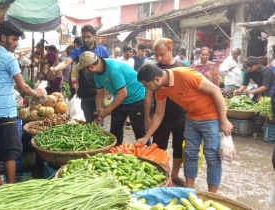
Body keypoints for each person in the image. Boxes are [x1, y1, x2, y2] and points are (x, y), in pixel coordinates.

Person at [137, 63, 233, 193]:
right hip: (192, 117)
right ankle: (189, 190)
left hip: (211, 117)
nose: (148, 89)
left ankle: (212, 194)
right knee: (189, 153)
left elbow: (215, 90)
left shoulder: (185, 75)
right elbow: (159, 114)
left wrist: (224, 119)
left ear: (157, 79)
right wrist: (146, 137)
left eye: (148, 86)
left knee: (212, 155)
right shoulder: (160, 88)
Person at [0, 21, 44, 187]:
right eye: (14, 39)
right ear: (3, 37)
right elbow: (23, 87)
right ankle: (10, 187)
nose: (16, 43)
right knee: (10, 151)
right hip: (7, 112)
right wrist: (37, 92)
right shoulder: (9, 58)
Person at [76, 51, 145, 145]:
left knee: (139, 131)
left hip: (136, 98)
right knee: (115, 131)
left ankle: (146, 155)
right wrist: (98, 114)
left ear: (91, 67)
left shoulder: (113, 69)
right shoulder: (97, 74)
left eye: (84, 69)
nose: (83, 71)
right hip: (120, 100)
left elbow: (123, 93)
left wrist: (107, 110)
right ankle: (116, 153)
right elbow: (100, 94)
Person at [145, 38, 187, 186]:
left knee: (179, 146)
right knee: (158, 145)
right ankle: (161, 172)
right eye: (157, 55)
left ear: (171, 49)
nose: (160, 58)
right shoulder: (154, 69)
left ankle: (174, 174)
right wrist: (147, 117)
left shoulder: (182, 67)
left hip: (181, 114)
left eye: (162, 54)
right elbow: (148, 95)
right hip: (160, 114)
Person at [50, 25, 109, 123]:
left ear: (95, 37)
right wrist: (56, 68)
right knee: (88, 122)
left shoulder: (103, 51)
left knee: (99, 122)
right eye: (84, 37)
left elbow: (108, 69)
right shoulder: (78, 51)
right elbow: (66, 62)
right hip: (84, 93)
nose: (85, 39)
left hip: (99, 92)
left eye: (88, 37)